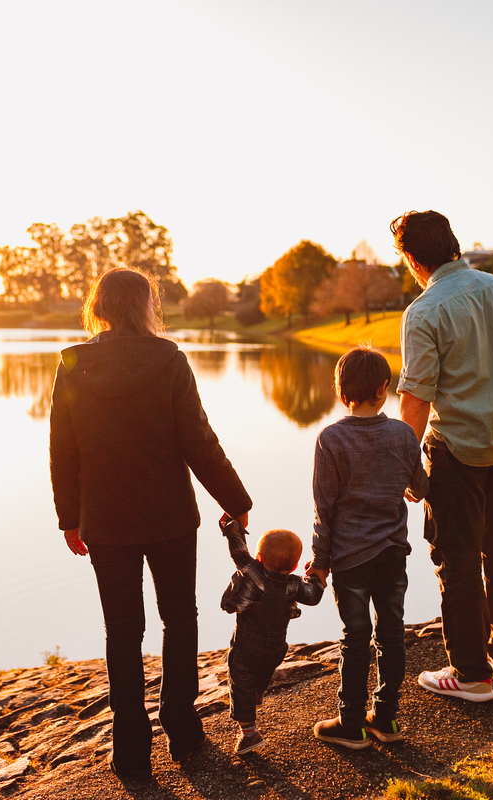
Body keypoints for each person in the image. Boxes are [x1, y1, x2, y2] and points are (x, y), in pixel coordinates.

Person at [50, 267, 253, 780]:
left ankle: (130, 748)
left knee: (121, 631)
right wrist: (235, 498)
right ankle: (182, 730)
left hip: (106, 519)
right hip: (169, 517)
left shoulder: (73, 364)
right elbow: (197, 440)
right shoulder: (169, 359)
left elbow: (61, 450)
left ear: (98, 307)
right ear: (145, 307)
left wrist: (69, 518)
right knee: (179, 620)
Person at [391, 210, 493, 703]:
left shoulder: (423, 311)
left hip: (456, 451)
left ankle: (470, 675)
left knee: (456, 558)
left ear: (413, 259)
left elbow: (416, 399)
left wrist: (400, 463)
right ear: (454, 243)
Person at [308, 346, 429, 749]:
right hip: (393, 552)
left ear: (342, 391)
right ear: (384, 389)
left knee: (355, 636)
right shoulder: (403, 433)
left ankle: (352, 723)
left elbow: (324, 508)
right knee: (392, 633)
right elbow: (420, 488)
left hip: (350, 558)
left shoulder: (331, 439)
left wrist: (320, 564)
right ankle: (387, 718)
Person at [219, 517, 325, 755]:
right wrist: (316, 576)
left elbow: (239, 553)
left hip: (248, 646)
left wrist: (232, 528)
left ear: (260, 558)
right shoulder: (295, 583)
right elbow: (313, 596)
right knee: (263, 670)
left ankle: (249, 734)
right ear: (296, 566)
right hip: (277, 648)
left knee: (239, 680)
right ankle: (258, 692)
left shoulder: (254, 573)